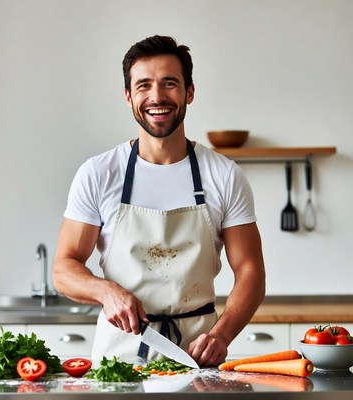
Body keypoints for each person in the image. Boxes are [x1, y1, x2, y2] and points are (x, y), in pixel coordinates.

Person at [53, 35, 266, 367]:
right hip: (119, 358)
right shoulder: (98, 173)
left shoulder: (224, 175)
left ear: (189, 92)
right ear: (127, 96)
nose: (157, 97)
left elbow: (251, 271)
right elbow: (64, 268)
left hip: (197, 354)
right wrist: (106, 291)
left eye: (170, 83)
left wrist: (221, 336)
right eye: (143, 85)